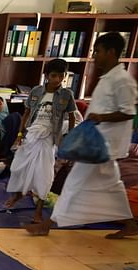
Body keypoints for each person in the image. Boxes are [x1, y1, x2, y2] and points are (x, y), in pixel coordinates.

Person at [27, 32, 138, 239]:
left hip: (104, 144)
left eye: (98, 51)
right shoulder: (108, 78)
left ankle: (47, 224)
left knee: (75, 181)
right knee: (110, 186)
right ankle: (130, 223)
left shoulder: (123, 80)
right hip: (99, 142)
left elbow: (129, 112)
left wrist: (100, 117)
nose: (95, 56)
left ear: (111, 52)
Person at [6, 59, 77, 223]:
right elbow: (27, 113)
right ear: (46, 76)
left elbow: (72, 117)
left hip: (49, 138)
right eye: (53, 76)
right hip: (32, 134)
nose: (57, 79)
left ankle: (38, 211)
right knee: (20, 167)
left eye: (61, 76)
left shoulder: (66, 95)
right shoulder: (37, 91)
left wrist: (70, 137)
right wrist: (20, 133)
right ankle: (19, 194)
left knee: (44, 173)